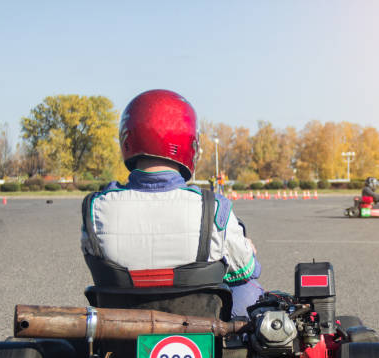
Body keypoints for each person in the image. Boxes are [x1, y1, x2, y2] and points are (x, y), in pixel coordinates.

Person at [80, 89, 263, 318]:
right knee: (249, 290)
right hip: (200, 330)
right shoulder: (213, 208)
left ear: (127, 139)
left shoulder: (95, 208)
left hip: (119, 338)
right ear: (190, 144)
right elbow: (246, 271)